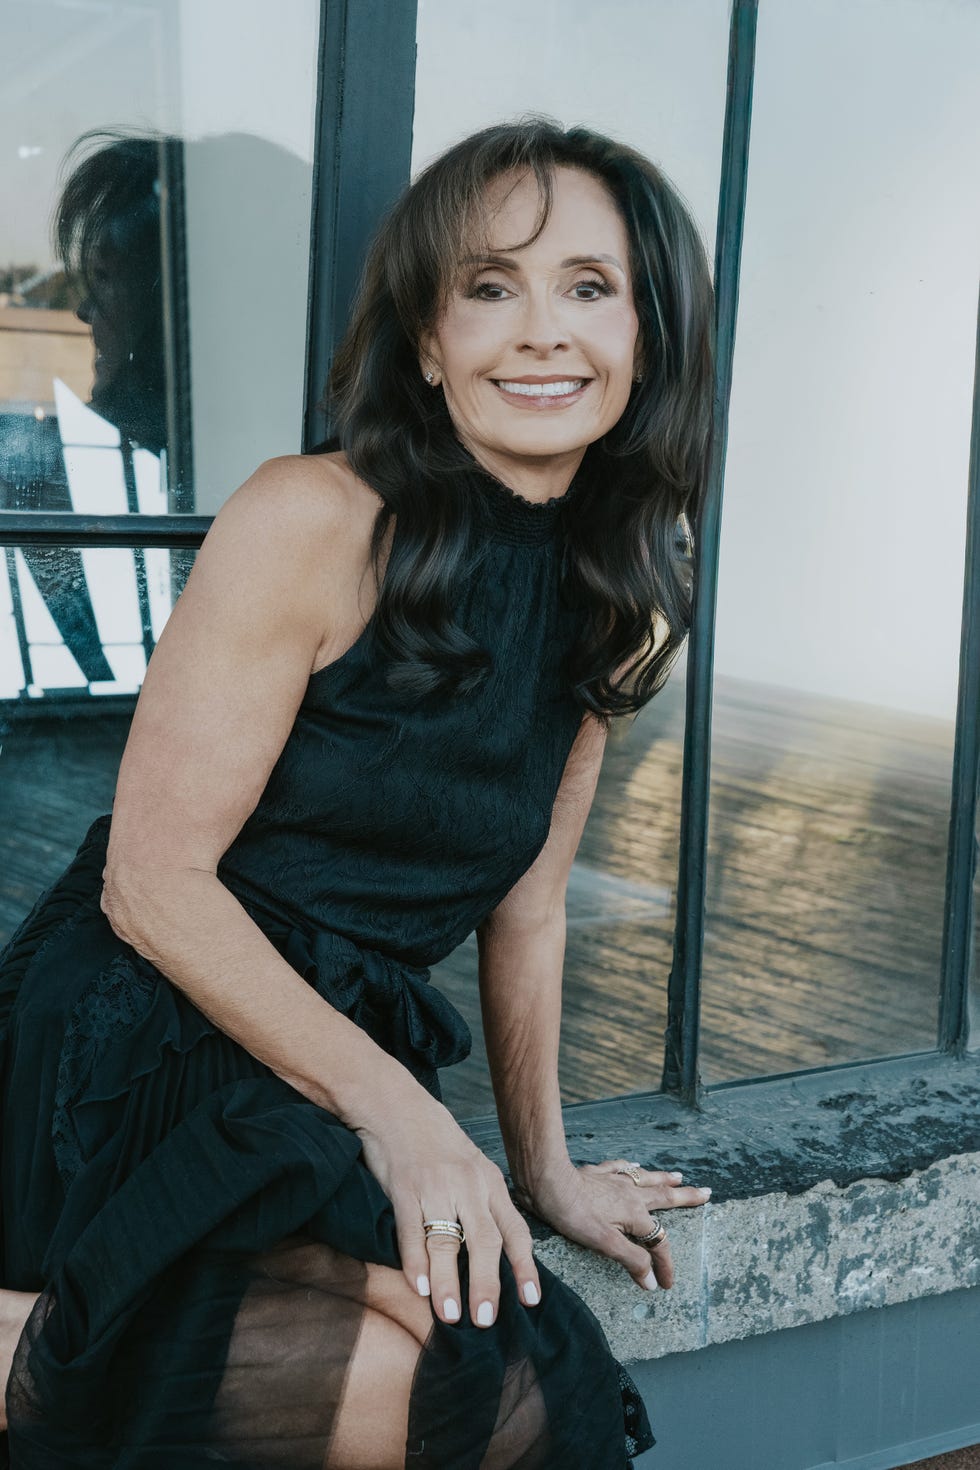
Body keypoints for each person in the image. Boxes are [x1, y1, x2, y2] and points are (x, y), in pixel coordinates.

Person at [0, 118, 715, 1466]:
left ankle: (47, 1350)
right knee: (474, 1397)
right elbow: (150, 884)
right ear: (431, 340)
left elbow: (532, 899)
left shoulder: (627, 568)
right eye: (490, 287)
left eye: (588, 286)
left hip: (323, 1059)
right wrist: (405, 1116)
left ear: (650, 335)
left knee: (506, 1366)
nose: (541, 332)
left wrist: (543, 1167)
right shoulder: (314, 516)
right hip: (150, 1031)